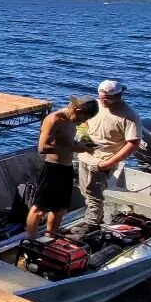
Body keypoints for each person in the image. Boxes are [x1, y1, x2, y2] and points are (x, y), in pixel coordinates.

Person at [26, 96, 99, 238]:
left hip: (66, 168)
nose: (82, 122)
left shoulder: (72, 120)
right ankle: (30, 239)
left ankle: (50, 238)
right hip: (52, 168)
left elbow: (67, 142)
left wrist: (82, 145)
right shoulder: (54, 119)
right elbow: (42, 148)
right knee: (39, 209)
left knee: (59, 209)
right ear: (76, 109)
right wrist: (75, 148)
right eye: (81, 119)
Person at [76, 79, 142, 233]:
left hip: (104, 160)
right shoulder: (96, 105)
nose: (103, 102)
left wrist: (108, 163)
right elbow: (83, 121)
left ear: (119, 95)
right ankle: (95, 219)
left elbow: (133, 143)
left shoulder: (129, 116)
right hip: (85, 155)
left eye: (107, 99)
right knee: (85, 191)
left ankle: (91, 225)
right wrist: (83, 136)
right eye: (101, 98)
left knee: (94, 194)